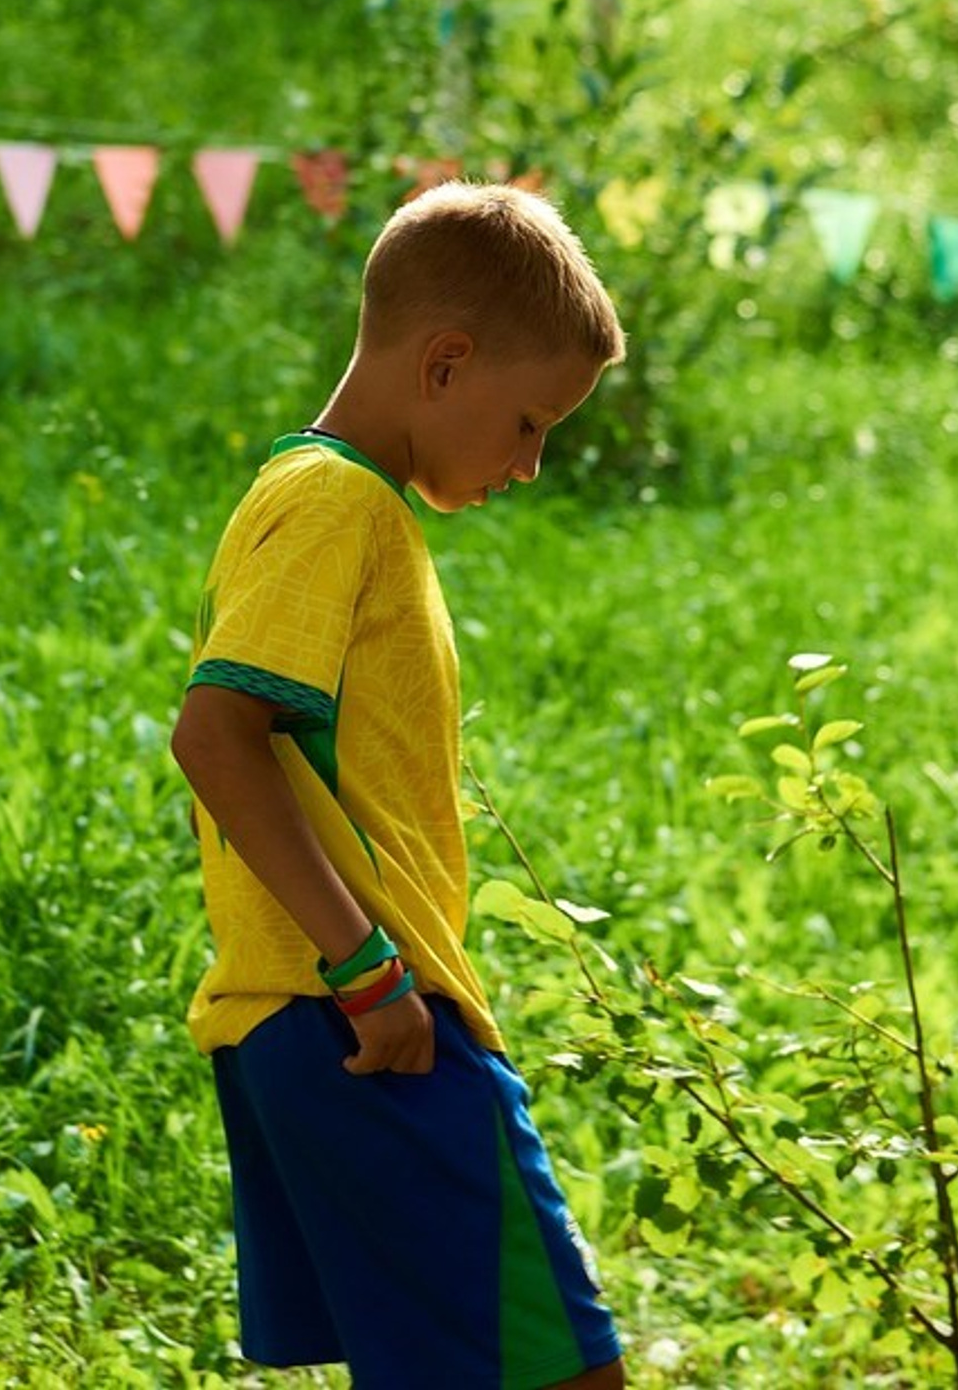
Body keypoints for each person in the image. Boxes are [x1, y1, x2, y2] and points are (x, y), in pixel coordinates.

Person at [171, 180, 628, 1390]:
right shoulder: (334, 503)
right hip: (362, 1021)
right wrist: (368, 973)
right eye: (530, 423)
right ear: (444, 364)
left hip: (335, 1019)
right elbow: (218, 736)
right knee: (564, 1372)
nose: (529, 464)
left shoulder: (342, 503)